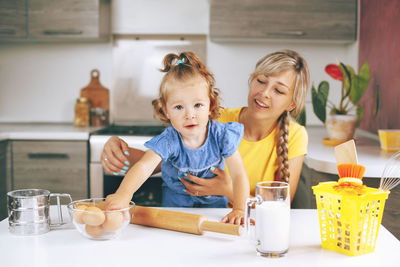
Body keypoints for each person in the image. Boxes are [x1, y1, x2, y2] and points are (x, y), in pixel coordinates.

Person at [102, 49, 309, 221]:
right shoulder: (212, 118)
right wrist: (119, 149)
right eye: (261, 81)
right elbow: (156, 163)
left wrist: (229, 191)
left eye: (279, 91)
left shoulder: (293, 136)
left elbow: (281, 206)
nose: (264, 93)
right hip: (180, 215)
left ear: (292, 103)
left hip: (231, 219)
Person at [104, 52, 250, 225]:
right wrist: (123, 195)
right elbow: (144, 166)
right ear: (166, 110)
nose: (189, 115)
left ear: (210, 105)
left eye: (197, 105)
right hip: (174, 210)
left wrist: (240, 209)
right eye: (179, 107)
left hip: (214, 210)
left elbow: (239, 174)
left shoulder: (222, 135)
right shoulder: (169, 140)